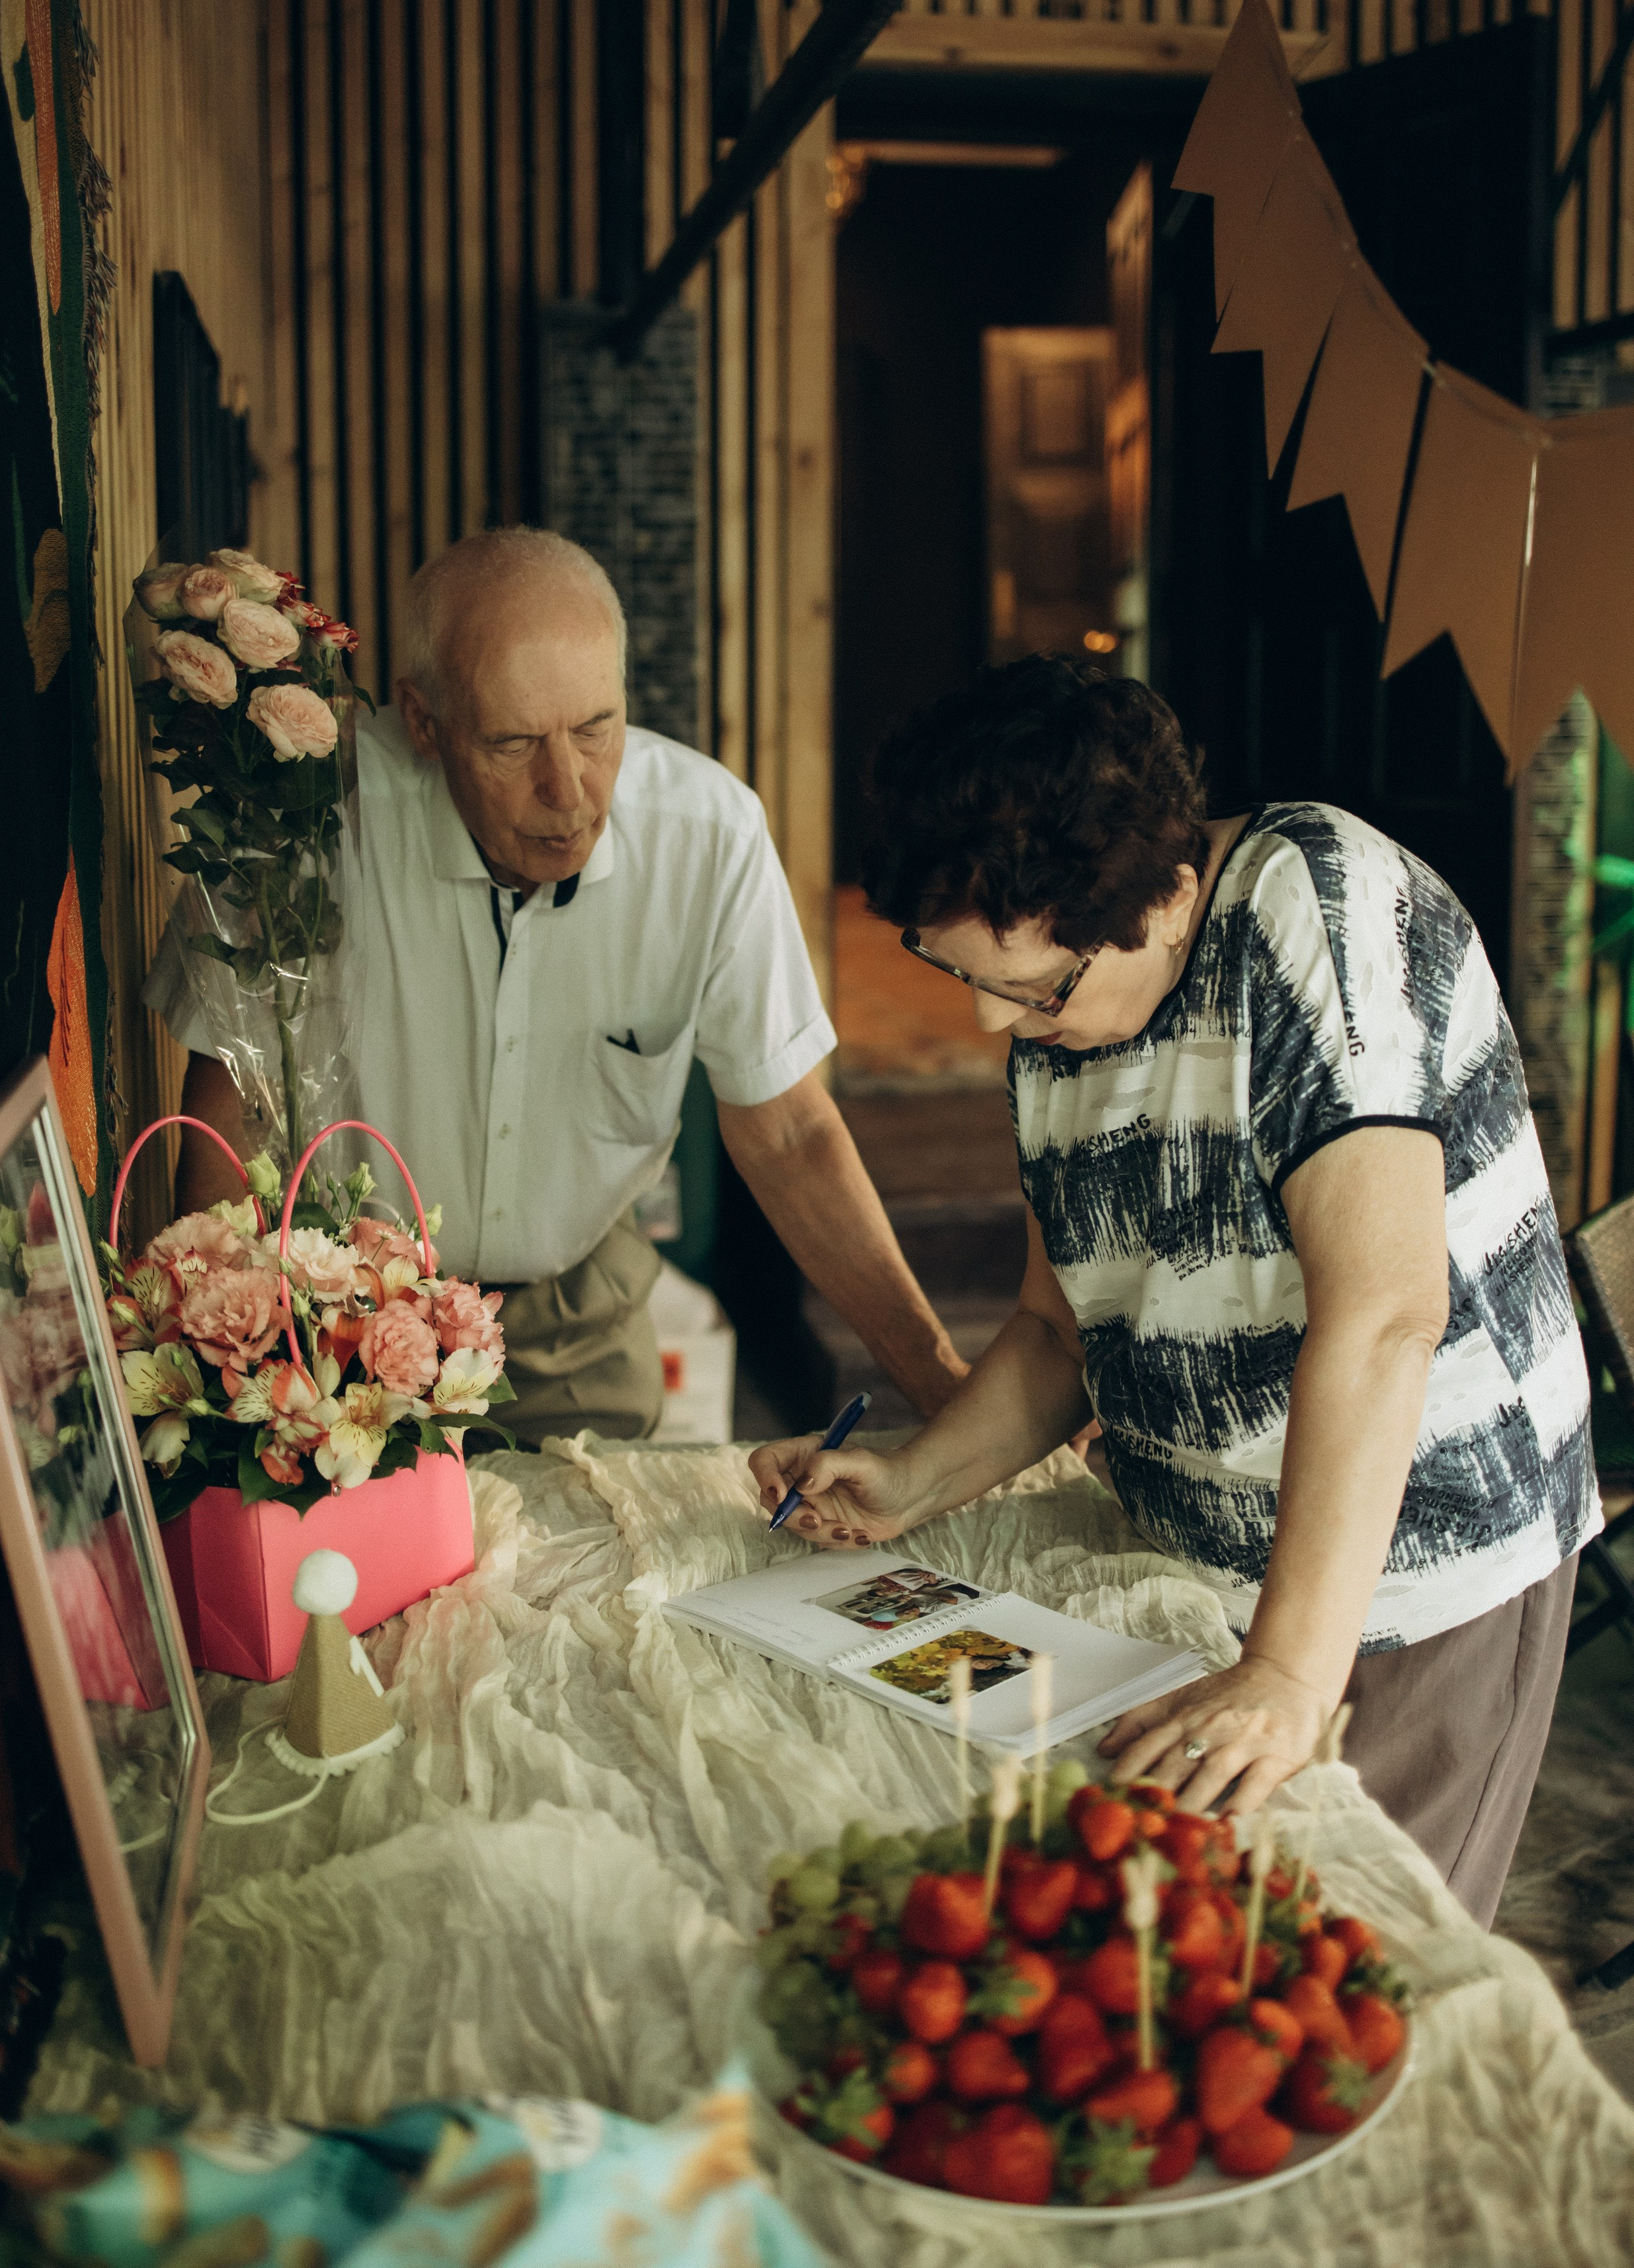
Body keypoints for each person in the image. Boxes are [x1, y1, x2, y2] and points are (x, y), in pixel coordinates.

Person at [749, 655, 1598, 1923]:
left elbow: (1384, 1318)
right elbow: (1056, 1326)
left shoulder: (1318, 907)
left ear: (1167, 896)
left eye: (1030, 987)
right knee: (1186, 1951)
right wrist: (917, 1477)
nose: (995, 1028)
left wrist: (1291, 1677)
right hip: (1204, 1555)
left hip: (1420, 1555)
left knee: (1361, 1962)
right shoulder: (1055, 1015)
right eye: (966, 978)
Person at [149, 526, 966, 1443]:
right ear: (423, 722)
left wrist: (944, 1390)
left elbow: (791, 1135)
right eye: (511, 743)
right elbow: (227, 1105)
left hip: (576, 1314)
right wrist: (238, 1379)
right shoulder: (306, 821)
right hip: (334, 1316)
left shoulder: (709, 836)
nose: (570, 791)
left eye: (596, 729)